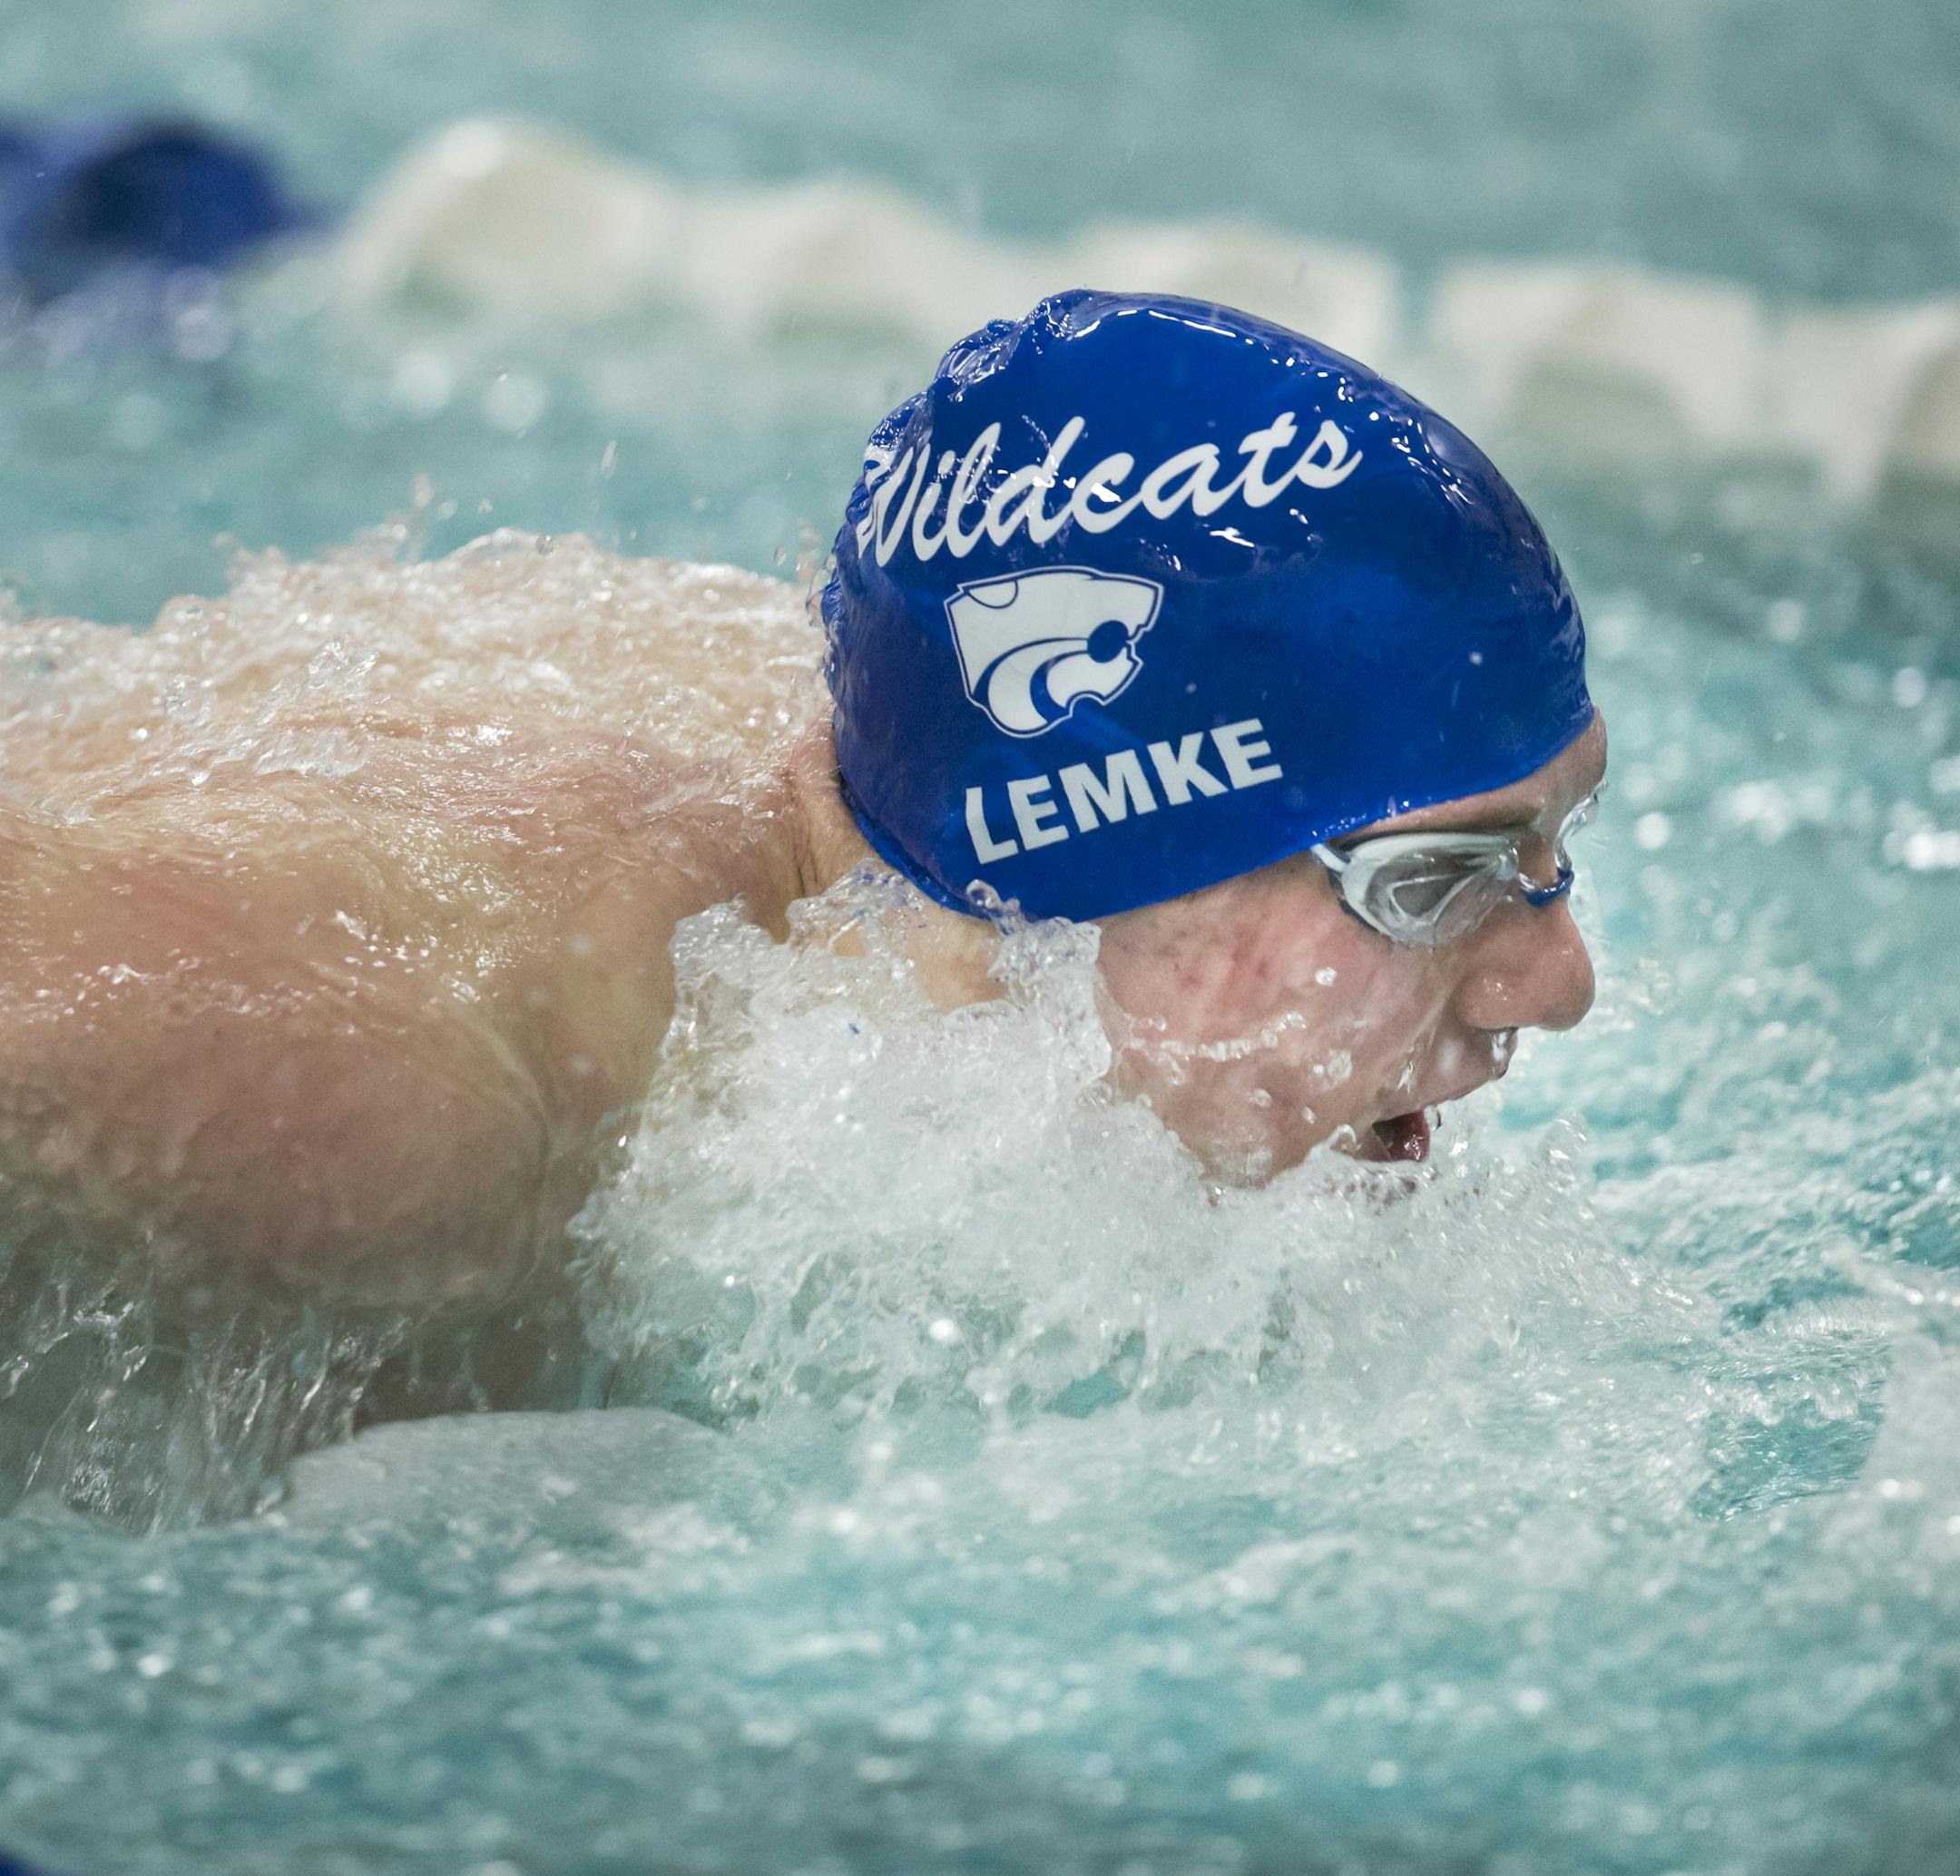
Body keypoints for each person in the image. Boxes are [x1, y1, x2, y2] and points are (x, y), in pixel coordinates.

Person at [0, 290, 1603, 1311]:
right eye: (1440, 875)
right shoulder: (434, 1088)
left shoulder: (892, 780)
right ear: (1080, 873)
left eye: (1552, 841)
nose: (1562, 979)